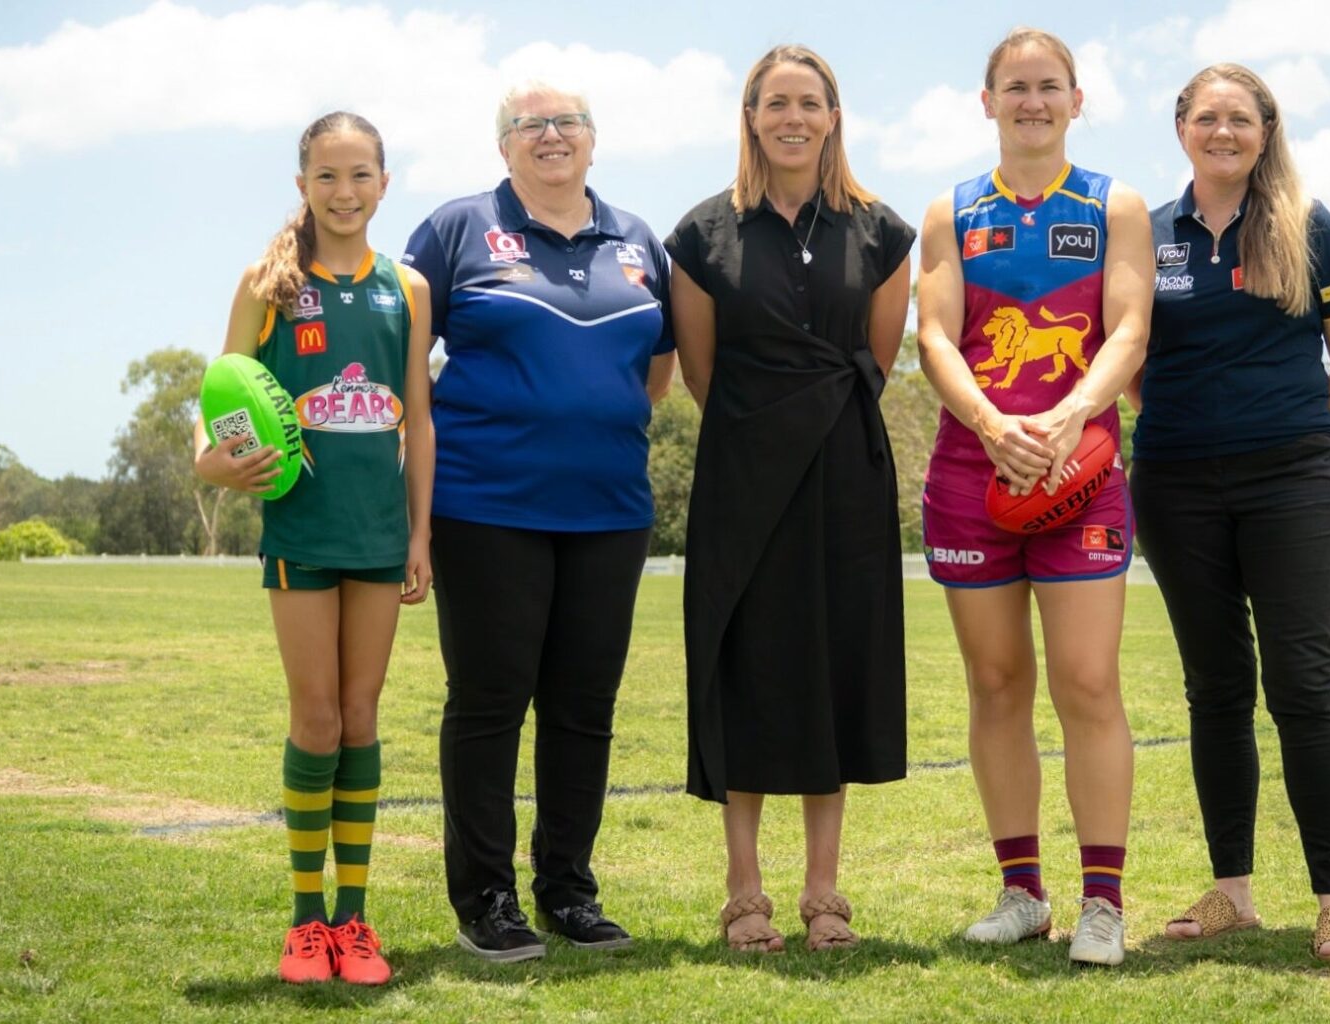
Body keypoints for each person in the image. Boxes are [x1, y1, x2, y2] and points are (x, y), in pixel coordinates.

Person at [401, 82, 675, 963]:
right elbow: (407, 370)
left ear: (593, 139)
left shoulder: (638, 241)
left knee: (584, 709)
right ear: (504, 145)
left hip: (610, 512)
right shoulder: (456, 230)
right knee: (489, 703)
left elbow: (655, 373)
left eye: (567, 123)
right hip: (485, 507)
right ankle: (486, 899)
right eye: (530, 124)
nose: (551, 135)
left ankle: (568, 891)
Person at [913, 27, 1153, 967]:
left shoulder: (1112, 205)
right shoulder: (951, 212)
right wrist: (991, 426)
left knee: (1087, 682)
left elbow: (1129, 330)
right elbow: (935, 336)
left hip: (1077, 473)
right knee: (996, 683)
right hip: (973, 476)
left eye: (1049, 86)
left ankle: (1104, 905)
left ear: (1076, 101)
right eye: (1015, 88)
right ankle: (1022, 893)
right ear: (988, 103)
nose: (1032, 102)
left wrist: (1065, 420)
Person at [665, 45, 912, 954]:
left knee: (831, 665)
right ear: (751, 117)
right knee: (748, 668)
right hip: (743, 476)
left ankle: (823, 891)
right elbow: (700, 371)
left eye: (810, 102)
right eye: (776, 103)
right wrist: (765, 432)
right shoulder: (703, 233)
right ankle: (744, 892)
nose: (793, 118)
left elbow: (875, 357)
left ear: (833, 116)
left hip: (846, 473)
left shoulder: (881, 231)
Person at [1136, 63, 1330, 965]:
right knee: (1215, 689)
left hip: (1293, 483)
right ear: (1182, 128)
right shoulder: (1145, 235)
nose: (1224, 132)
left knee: (1303, 686)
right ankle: (1232, 892)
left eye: (1241, 119)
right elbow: (1131, 362)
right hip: (1174, 484)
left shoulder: (1309, 227)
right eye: (1208, 117)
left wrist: (1289, 437)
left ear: (1266, 132)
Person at [194, 110, 434, 986]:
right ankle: (305, 925)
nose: (344, 191)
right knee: (318, 720)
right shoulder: (268, 285)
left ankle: (354, 922)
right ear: (302, 186)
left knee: (362, 719)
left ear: (384, 183)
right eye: (327, 176)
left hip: (379, 535)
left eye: (360, 174)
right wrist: (218, 463)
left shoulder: (407, 288)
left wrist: (420, 533)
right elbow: (219, 404)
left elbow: (419, 417)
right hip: (300, 532)